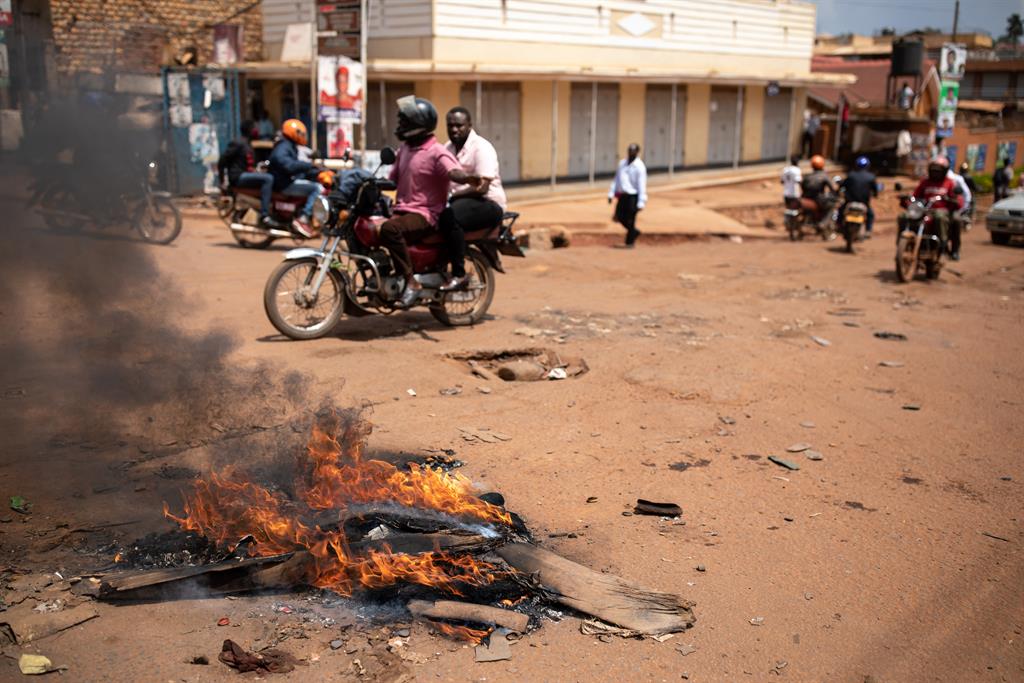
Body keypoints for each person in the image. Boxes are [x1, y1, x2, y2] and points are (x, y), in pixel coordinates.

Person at [381, 96, 483, 308]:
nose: (400, 125)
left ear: (418, 124)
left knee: (390, 229)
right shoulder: (405, 149)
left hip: (425, 214)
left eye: (404, 121)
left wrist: (468, 178)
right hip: (402, 209)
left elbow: (453, 171)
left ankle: (411, 283)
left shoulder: (437, 151)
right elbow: (391, 182)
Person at [439, 106, 507, 291]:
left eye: (459, 125)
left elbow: (481, 187)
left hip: (488, 203)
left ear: (469, 125)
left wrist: (452, 196)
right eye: (450, 125)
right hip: (463, 201)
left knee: (450, 217)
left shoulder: (481, 148)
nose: (454, 130)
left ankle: (459, 275)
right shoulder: (447, 148)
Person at [217, 120, 280, 229]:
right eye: (254, 128)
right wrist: (222, 181)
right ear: (249, 130)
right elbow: (222, 161)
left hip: (245, 174)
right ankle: (265, 216)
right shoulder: (238, 143)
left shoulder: (248, 144)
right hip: (238, 177)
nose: (257, 131)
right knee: (268, 179)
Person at [268, 119, 321, 238]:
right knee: (316, 188)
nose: (302, 136)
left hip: (287, 181)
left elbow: (295, 165)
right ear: (293, 132)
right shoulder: (283, 147)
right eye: (300, 134)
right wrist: (309, 166)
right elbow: (289, 165)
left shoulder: (290, 146)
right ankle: (303, 218)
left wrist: (314, 170)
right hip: (284, 184)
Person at [907, 156, 959, 257]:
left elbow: (958, 200)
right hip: (925, 210)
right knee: (904, 216)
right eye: (933, 170)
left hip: (942, 211)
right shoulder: (925, 182)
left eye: (938, 171)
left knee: (940, 216)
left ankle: (943, 243)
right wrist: (908, 200)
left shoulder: (950, 183)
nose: (935, 173)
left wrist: (951, 200)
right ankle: (906, 242)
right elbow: (916, 195)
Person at [607, 143, 647, 248]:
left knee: (631, 219)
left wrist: (641, 201)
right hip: (622, 195)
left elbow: (642, 184)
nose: (631, 153)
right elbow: (616, 179)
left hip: (633, 196)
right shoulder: (622, 163)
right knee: (618, 217)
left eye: (633, 151)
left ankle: (630, 242)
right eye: (630, 150)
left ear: (637, 152)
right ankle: (634, 232)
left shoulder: (640, 166)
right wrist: (611, 193)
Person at [840, 156, 879, 238]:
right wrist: (876, 195)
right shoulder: (871, 177)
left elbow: (843, 185)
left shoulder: (851, 175)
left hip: (850, 201)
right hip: (864, 203)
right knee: (870, 215)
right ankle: (868, 230)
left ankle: (839, 226)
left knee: (840, 211)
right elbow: (875, 190)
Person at [800, 154, 837, 227]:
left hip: (806, 198)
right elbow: (832, 188)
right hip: (818, 199)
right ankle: (823, 223)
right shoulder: (824, 176)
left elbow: (802, 186)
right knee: (831, 206)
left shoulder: (808, 176)